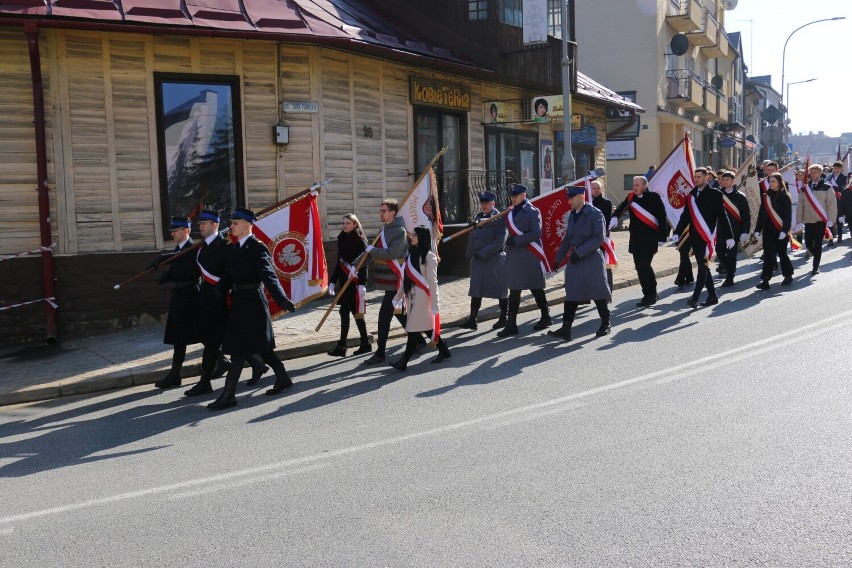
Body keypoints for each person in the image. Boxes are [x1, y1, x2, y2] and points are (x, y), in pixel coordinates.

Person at [208, 207, 297, 411]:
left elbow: (269, 276)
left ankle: (229, 395)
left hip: (253, 303)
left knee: (240, 348)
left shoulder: (257, 248)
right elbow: (231, 274)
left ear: (248, 225)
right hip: (240, 301)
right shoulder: (235, 247)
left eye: (235, 223)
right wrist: (220, 288)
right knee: (262, 348)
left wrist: (282, 300)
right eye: (231, 223)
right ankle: (283, 378)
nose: (231, 226)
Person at [183, 209, 268, 397]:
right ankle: (258, 364)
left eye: (204, 223)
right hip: (206, 297)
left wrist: (222, 289)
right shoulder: (202, 247)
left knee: (214, 340)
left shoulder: (225, 245)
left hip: (220, 299)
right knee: (219, 338)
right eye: (199, 224)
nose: (201, 226)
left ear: (215, 225)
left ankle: (205, 381)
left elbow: (232, 271)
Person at [547, 187, 611, 341]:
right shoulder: (573, 215)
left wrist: (579, 253)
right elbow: (568, 239)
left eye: (571, 198)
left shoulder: (595, 214)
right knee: (572, 292)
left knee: (597, 292)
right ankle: (566, 328)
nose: (568, 202)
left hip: (591, 259)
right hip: (576, 259)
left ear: (581, 196)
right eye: (568, 199)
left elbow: (598, 239)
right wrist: (558, 259)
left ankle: (605, 322)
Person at [363, 199, 419, 364]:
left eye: (383, 211)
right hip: (387, 280)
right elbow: (370, 251)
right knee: (400, 313)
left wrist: (373, 250)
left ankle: (380, 353)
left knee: (384, 316)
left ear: (392, 213)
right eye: (380, 210)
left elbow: (393, 253)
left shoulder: (400, 231)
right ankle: (421, 340)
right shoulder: (384, 229)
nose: (381, 213)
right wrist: (354, 266)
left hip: (397, 280)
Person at [390, 226, 451, 370]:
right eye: (412, 234)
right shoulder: (410, 254)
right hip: (411, 296)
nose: (411, 236)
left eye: (415, 235)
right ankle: (444, 350)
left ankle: (403, 362)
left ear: (422, 237)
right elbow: (405, 279)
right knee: (427, 328)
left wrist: (435, 304)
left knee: (412, 329)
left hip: (423, 297)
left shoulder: (429, 256)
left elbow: (433, 282)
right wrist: (397, 297)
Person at [149, 216, 199, 389]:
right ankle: (175, 374)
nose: (172, 234)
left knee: (196, 333)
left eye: (176, 231)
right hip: (180, 294)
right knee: (183, 335)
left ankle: (175, 374)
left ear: (186, 230)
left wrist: (164, 258)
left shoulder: (192, 248)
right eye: (171, 231)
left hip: (191, 296)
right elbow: (177, 267)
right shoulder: (180, 248)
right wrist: (163, 276)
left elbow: (183, 258)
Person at [673, 167, 734, 309]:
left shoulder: (715, 194)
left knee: (702, 266)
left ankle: (695, 298)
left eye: (699, 177)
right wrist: (677, 232)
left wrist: (730, 236)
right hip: (695, 237)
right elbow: (685, 216)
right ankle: (712, 296)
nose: (696, 179)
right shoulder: (692, 194)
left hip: (707, 237)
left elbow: (723, 216)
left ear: (707, 178)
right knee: (704, 267)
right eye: (695, 177)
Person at [498, 184, 551, 337]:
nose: (513, 198)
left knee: (535, 287)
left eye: (515, 196)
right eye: (512, 196)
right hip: (514, 256)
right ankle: (511, 324)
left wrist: (517, 240)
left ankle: (546, 316)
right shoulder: (509, 212)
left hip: (529, 254)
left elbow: (536, 232)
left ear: (523, 195)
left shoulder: (533, 211)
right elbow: (499, 225)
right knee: (514, 289)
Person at [611, 176, 668, 306]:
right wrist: (615, 217)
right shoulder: (631, 197)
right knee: (639, 267)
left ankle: (651, 294)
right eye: (633, 184)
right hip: (636, 239)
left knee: (645, 266)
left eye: (637, 185)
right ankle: (646, 294)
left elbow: (661, 216)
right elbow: (621, 207)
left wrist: (662, 237)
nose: (634, 187)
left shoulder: (654, 197)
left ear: (644, 186)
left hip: (650, 239)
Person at [460, 191, 508, 331]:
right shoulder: (478, 218)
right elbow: (472, 238)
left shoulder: (499, 218)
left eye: (487, 203)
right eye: (482, 203)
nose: (484, 205)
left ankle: (504, 317)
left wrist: (484, 253)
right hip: (478, 259)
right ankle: (472, 319)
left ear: (493, 203)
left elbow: (500, 240)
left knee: (500, 289)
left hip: (494, 258)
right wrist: (468, 255)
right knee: (476, 289)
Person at [326, 213, 372, 357]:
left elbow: (364, 262)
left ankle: (343, 346)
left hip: (355, 282)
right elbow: (340, 264)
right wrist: (333, 282)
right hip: (345, 281)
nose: (344, 225)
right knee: (353, 313)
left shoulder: (360, 241)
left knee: (349, 312)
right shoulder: (342, 238)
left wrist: (362, 282)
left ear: (355, 225)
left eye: (348, 223)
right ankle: (364, 343)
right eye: (343, 223)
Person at [795, 164, 837, 275]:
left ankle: (815, 266)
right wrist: (799, 220)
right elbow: (800, 205)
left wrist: (831, 219)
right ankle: (816, 255)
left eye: (816, 172)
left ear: (820, 173)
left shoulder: (827, 187)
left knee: (818, 243)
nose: (813, 174)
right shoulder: (805, 188)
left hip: (820, 220)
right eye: (812, 172)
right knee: (808, 243)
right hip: (808, 220)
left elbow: (831, 205)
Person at [754, 174, 793, 290]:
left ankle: (788, 275)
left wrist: (784, 230)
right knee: (769, 256)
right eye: (769, 181)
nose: (770, 184)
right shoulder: (766, 196)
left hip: (780, 231)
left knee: (782, 254)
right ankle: (765, 280)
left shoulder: (785, 197)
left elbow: (787, 216)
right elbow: (761, 214)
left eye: (773, 181)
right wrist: (757, 229)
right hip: (768, 231)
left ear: (779, 183)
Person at [717, 170, 751, 287]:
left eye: (727, 180)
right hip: (721, 230)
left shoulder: (740, 197)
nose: (725, 182)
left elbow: (746, 215)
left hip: (735, 230)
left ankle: (730, 276)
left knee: (731, 255)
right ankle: (728, 268)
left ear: (733, 181)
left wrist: (745, 231)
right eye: (723, 180)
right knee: (719, 252)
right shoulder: (718, 195)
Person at [591, 180, 615, 293]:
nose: (596, 190)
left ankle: (608, 290)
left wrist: (602, 235)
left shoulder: (607, 202)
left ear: (601, 189)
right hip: (590, 239)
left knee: (606, 266)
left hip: (602, 238)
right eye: (593, 188)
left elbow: (607, 222)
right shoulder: (588, 202)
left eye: (598, 188)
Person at [825, 161, 847, 244]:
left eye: (838, 168)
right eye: (835, 168)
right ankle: (830, 240)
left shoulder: (844, 177)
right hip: (830, 200)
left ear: (841, 169)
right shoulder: (830, 176)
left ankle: (840, 237)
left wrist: (832, 187)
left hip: (839, 200)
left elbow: (843, 188)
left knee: (839, 220)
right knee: (830, 220)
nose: (836, 169)